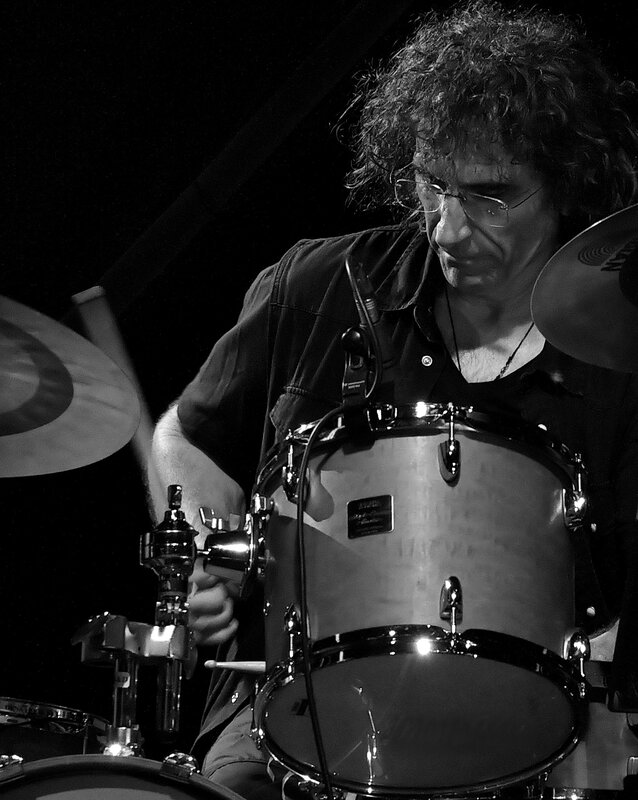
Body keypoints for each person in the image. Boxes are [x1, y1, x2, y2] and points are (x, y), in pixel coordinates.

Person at [150, 2, 638, 797]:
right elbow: (185, 435)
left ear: (566, 182)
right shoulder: (320, 287)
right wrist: (213, 550)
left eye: (490, 196)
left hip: (527, 732)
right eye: (432, 185)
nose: (447, 229)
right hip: (290, 706)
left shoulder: (620, 355)